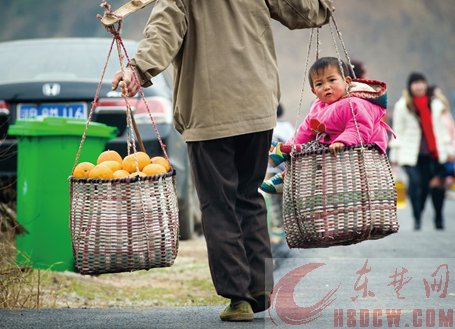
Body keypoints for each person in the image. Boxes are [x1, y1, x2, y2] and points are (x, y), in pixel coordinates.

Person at [111, 0, 334, 322]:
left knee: (219, 204)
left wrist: (137, 68)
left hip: (208, 112)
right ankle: (259, 286)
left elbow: (162, 33)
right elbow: (303, 11)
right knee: (248, 196)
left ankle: (238, 296)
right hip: (256, 108)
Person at [261, 56, 391, 193]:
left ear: (346, 81)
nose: (326, 87)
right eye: (319, 84)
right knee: (306, 150)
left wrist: (344, 141)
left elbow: (359, 127)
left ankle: (285, 167)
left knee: (314, 153)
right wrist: (292, 145)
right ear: (314, 91)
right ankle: (285, 168)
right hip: (331, 146)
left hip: (361, 148)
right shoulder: (319, 107)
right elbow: (305, 131)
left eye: (332, 80)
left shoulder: (355, 103)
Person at [389, 73, 455, 230]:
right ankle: (417, 217)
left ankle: (438, 217)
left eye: (421, 83)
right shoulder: (403, 105)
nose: (419, 86)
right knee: (417, 185)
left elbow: (442, 130)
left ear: (426, 84)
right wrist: (395, 155)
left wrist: (449, 150)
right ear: (410, 86)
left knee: (437, 186)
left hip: (434, 153)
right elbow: (398, 130)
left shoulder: (435, 105)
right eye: (415, 83)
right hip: (411, 154)